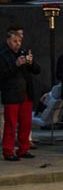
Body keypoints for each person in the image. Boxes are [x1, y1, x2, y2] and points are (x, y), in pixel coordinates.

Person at [0, 28, 39, 160]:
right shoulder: (3, 55)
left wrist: (31, 63)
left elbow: (37, 70)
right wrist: (15, 65)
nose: (18, 44)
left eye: (19, 41)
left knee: (26, 124)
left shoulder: (24, 52)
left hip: (26, 94)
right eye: (15, 41)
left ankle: (23, 149)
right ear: (8, 41)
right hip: (11, 94)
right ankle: (8, 151)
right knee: (11, 124)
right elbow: (2, 75)